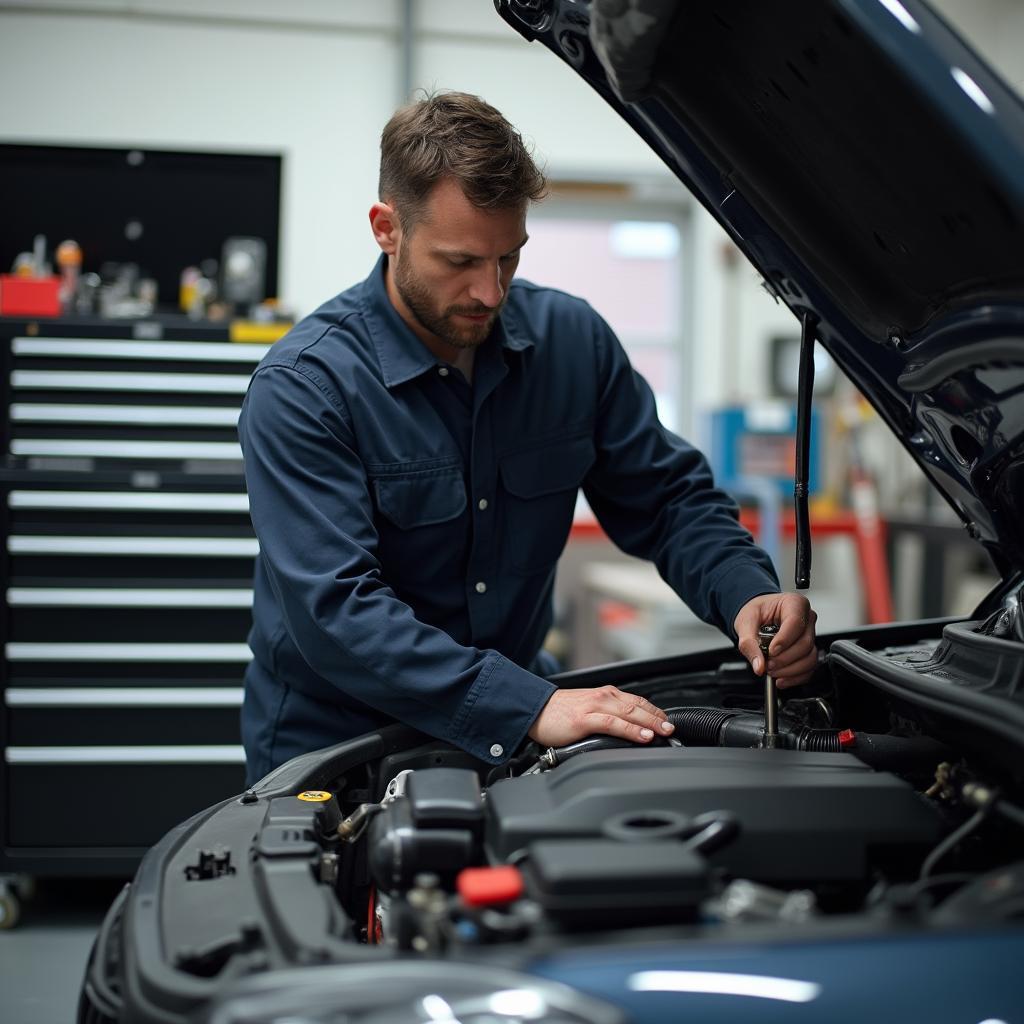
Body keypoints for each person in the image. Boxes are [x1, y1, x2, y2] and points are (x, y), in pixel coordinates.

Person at [238, 91, 818, 784]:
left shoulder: (572, 345)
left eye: (508, 257)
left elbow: (667, 501)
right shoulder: (306, 388)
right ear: (386, 228)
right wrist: (526, 703)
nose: (491, 291)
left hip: (513, 736)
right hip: (338, 749)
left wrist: (743, 591)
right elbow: (338, 613)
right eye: (460, 262)